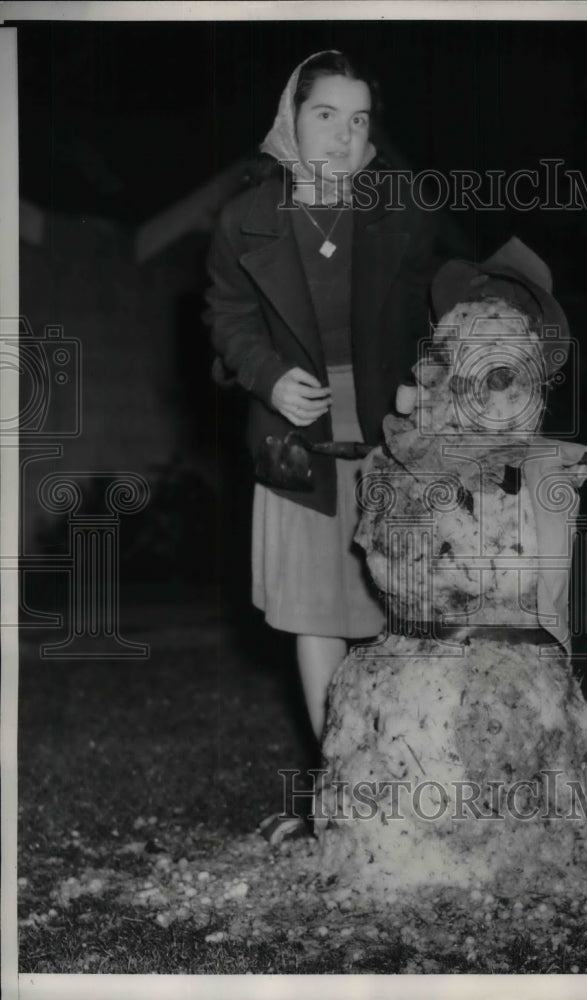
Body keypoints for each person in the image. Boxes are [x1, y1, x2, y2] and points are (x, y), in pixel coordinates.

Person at [204, 50, 438, 838]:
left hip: (383, 443)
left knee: (390, 608)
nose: (342, 136)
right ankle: (339, 787)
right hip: (295, 446)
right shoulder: (246, 220)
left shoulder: (397, 215)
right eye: (325, 115)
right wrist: (268, 378)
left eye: (359, 118)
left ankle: (396, 783)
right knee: (315, 614)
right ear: (291, 119)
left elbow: (422, 316)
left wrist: (417, 382)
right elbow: (227, 319)